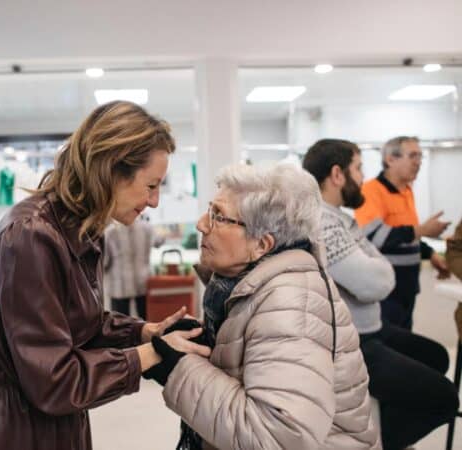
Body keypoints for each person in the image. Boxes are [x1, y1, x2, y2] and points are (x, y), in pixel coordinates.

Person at [0, 101, 211, 450]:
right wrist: (153, 352)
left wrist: (143, 331)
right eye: (151, 186)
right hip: (5, 424)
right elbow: (54, 381)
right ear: (111, 171)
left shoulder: (81, 228)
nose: (155, 201)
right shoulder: (31, 237)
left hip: (43, 417)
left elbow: (76, 322)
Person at [147, 163, 379, 449]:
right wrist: (209, 345)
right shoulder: (247, 288)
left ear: (262, 245)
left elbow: (278, 436)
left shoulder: (291, 303)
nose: (201, 224)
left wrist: (181, 369)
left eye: (218, 217)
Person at [304, 139, 458, 450]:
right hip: (354, 341)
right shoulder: (324, 223)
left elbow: (380, 268)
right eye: (358, 168)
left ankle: (375, 428)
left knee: (436, 357)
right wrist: (379, 267)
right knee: (444, 397)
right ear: (337, 174)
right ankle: (372, 443)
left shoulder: (342, 218)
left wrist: (380, 266)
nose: (362, 176)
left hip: (374, 327)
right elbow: (374, 281)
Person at [354, 136, 451, 330]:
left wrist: (429, 253)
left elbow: (408, 236)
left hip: (407, 287)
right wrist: (423, 230)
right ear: (390, 159)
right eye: (413, 155)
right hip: (386, 291)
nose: (418, 162)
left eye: (420, 156)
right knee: (390, 348)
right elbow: (375, 237)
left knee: (405, 346)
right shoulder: (370, 191)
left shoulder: (407, 191)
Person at [104, 215, 163, 319]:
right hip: (142, 280)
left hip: (119, 283)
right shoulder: (147, 227)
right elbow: (159, 242)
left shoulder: (110, 231)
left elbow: (105, 261)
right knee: (145, 321)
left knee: (120, 323)